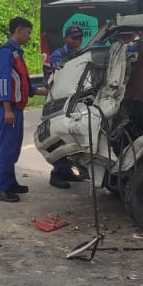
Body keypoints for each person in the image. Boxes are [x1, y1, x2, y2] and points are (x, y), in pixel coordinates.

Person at [0, 16, 36, 203]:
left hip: (16, 108)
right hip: (8, 109)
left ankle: (10, 183)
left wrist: (40, 91)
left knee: (14, 148)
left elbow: (21, 81)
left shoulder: (17, 53)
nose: (29, 36)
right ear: (19, 30)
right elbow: (3, 81)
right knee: (6, 148)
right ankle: (1, 188)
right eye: (28, 32)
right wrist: (7, 109)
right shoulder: (5, 52)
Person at [47, 25, 85, 189]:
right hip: (59, 102)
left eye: (79, 38)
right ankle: (56, 174)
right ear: (66, 39)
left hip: (74, 100)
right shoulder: (58, 55)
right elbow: (60, 75)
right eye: (74, 38)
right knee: (60, 138)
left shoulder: (80, 54)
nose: (77, 41)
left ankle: (67, 171)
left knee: (72, 137)